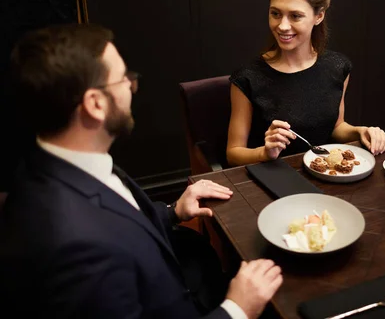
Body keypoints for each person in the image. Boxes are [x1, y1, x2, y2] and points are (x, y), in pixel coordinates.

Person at [0, 24, 282, 318]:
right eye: (123, 79)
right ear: (95, 104)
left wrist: (172, 211)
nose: (131, 86)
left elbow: (117, 219)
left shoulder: (54, 160)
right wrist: (237, 309)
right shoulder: (76, 250)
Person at [227, 0, 385, 166]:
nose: (282, 26)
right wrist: (264, 152)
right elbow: (233, 153)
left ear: (318, 16)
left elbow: (336, 127)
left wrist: (360, 131)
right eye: (275, 13)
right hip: (273, 178)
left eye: (295, 16)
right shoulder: (247, 77)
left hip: (324, 174)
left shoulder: (338, 67)